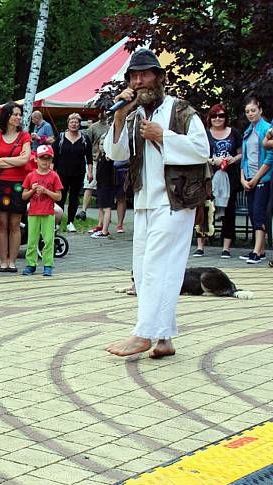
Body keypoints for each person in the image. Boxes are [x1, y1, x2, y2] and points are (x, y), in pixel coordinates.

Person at [104, 48, 210, 358]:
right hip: (146, 201)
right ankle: (164, 338)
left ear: (160, 78)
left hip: (176, 201)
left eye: (145, 75)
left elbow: (202, 149)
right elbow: (116, 154)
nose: (139, 82)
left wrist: (163, 136)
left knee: (155, 267)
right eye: (134, 77)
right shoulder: (134, 113)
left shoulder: (181, 110)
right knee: (146, 268)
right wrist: (120, 115)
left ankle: (143, 334)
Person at [192, 104, 243, 258]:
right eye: (214, 116)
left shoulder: (234, 133)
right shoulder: (205, 134)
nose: (217, 119)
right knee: (205, 210)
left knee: (229, 212)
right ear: (210, 118)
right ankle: (200, 245)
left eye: (221, 115)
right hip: (208, 177)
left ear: (226, 117)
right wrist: (212, 160)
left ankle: (226, 248)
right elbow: (199, 154)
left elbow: (241, 153)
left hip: (230, 177)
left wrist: (233, 159)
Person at [0, 102, 31, 273]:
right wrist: (14, 161)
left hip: (19, 185)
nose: (19, 117)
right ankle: (3, 260)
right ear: (7, 116)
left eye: (20, 114)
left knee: (15, 223)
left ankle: (12, 261)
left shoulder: (24, 136)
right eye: (15, 114)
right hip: (0, 183)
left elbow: (25, 160)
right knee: (2, 223)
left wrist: (2, 160)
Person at [238, 96, 272, 265]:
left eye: (253, 110)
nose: (250, 114)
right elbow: (244, 157)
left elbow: (269, 159)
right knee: (252, 212)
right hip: (249, 177)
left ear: (260, 110)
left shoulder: (267, 129)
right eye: (247, 112)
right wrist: (243, 178)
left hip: (262, 178)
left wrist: (256, 178)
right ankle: (262, 250)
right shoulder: (247, 131)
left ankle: (256, 251)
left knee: (259, 213)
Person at [21, 144, 63, 276]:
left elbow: (59, 196)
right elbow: (24, 196)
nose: (45, 161)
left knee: (48, 240)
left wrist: (46, 191)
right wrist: (33, 190)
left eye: (48, 158)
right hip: (33, 213)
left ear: (51, 161)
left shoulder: (54, 176)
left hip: (48, 213)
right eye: (42, 158)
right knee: (32, 240)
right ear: (36, 160)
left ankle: (48, 265)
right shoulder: (30, 176)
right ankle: (31, 264)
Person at [53, 113, 93, 232]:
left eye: (76, 122)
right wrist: (51, 172)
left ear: (79, 124)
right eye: (72, 122)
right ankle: (58, 222)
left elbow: (89, 157)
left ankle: (70, 222)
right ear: (68, 123)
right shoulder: (60, 137)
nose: (74, 124)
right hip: (61, 172)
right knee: (60, 197)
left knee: (74, 198)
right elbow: (54, 157)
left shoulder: (85, 139)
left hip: (78, 172)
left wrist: (90, 172)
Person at [80, 110, 109, 221]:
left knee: (104, 186)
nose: (102, 114)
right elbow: (87, 143)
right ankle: (83, 211)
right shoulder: (93, 127)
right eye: (101, 111)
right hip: (94, 159)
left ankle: (104, 215)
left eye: (105, 111)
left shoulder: (111, 126)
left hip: (106, 160)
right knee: (89, 185)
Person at [91, 134, 117, 239]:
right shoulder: (100, 156)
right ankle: (100, 226)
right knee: (101, 207)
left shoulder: (108, 156)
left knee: (106, 208)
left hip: (107, 185)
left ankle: (105, 231)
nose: (102, 146)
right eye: (100, 144)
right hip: (101, 184)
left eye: (104, 144)